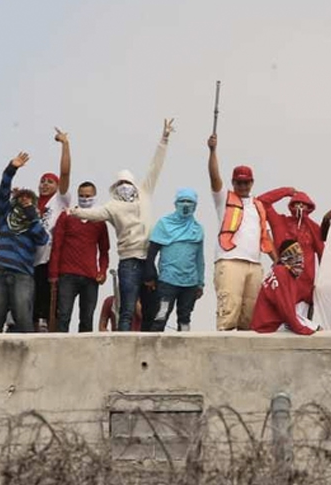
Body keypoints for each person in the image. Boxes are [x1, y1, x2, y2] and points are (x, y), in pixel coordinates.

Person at [71, 120, 172, 331]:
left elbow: (156, 167)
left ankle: (145, 344)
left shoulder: (144, 193)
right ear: (116, 187)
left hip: (148, 259)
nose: (125, 188)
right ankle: (125, 346)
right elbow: (93, 213)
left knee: (149, 309)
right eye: (121, 184)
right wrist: (74, 211)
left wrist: (164, 140)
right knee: (126, 308)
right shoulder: (113, 206)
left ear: (134, 184)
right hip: (128, 261)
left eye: (127, 183)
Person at [207, 131, 272, 331]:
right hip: (230, 260)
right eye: (239, 182)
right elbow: (214, 177)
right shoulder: (224, 199)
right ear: (234, 182)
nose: (243, 186)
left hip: (254, 265)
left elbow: (266, 237)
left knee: (250, 317)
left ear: (252, 182)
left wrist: (278, 262)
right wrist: (212, 151)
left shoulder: (258, 205)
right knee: (229, 311)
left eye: (246, 182)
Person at [0, 153, 50, 333]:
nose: (23, 202)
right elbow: (3, 190)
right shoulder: (6, 215)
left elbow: (43, 239)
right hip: (0, 270)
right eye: (20, 199)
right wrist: (11, 168)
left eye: (28, 200)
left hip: (23, 275)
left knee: (23, 318)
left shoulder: (34, 224)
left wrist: (30, 212)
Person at [49, 181, 110, 333]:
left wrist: (102, 271)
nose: (85, 199)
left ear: (94, 197)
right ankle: (60, 351)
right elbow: (57, 246)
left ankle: (85, 355)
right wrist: (53, 274)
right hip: (67, 275)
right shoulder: (66, 216)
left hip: (90, 277)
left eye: (88, 196)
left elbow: (104, 250)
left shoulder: (100, 221)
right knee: (63, 315)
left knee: (87, 318)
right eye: (81, 196)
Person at [145, 188, 205, 332]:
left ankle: (184, 351)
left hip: (190, 283)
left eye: (189, 202)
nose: (185, 205)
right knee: (161, 315)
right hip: (168, 281)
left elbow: (199, 258)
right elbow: (152, 252)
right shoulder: (164, 224)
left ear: (195, 205)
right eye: (182, 201)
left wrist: (200, 283)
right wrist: (149, 274)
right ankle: (154, 350)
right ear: (175, 203)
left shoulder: (198, 229)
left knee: (185, 319)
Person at [31, 129, 72, 331]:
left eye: (50, 181)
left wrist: (65, 144)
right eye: (42, 181)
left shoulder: (59, 200)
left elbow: (65, 172)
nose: (45, 184)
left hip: (51, 260)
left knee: (49, 303)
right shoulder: (32, 205)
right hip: (31, 260)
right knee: (31, 304)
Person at [255, 187, 323, 298]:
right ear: (291, 205)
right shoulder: (280, 223)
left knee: (300, 316)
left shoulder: (314, 228)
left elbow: (323, 255)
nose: (300, 206)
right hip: (283, 282)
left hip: (306, 287)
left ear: (309, 207)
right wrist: (286, 192)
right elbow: (261, 202)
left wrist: (322, 283)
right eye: (297, 203)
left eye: (303, 204)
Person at [251, 240, 318, 335]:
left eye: (301, 255)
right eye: (296, 256)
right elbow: (285, 307)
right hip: (269, 325)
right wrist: (301, 329)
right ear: (287, 257)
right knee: (316, 331)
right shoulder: (281, 272)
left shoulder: (286, 274)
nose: (300, 259)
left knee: (315, 328)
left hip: (272, 322)